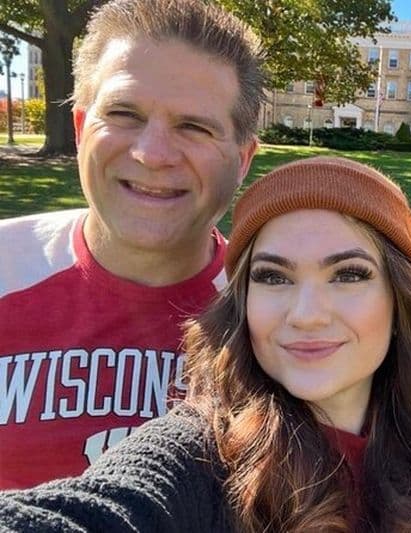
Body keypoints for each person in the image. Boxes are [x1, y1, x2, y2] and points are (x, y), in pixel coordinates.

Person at [0, 156, 411, 532]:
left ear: (398, 301)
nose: (307, 314)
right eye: (274, 277)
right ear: (243, 304)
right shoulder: (204, 455)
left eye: (349, 274)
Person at [0, 0, 263, 489]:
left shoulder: (280, 319)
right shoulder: (5, 269)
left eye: (194, 126)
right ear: (81, 130)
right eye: (124, 113)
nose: (152, 153)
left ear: (242, 159)